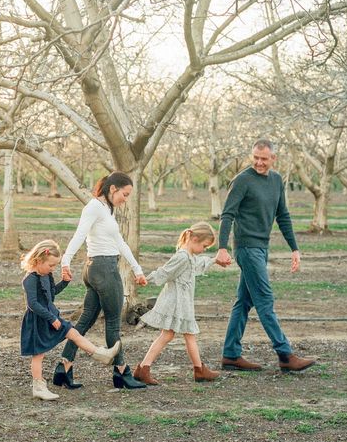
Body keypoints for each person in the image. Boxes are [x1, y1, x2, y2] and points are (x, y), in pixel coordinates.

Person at [215, 139, 316, 373]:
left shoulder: (277, 180)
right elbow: (227, 214)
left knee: (244, 302)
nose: (259, 162)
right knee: (265, 300)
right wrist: (222, 247)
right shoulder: (242, 180)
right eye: (256, 158)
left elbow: (283, 216)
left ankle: (230, 355)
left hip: (262, 247)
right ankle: (285, 354)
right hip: (246, 248)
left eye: (264, 158)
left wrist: (294, 248)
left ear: (273, 159)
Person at [52, 172, 148, 390]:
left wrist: (137, 269)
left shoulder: (106, 209)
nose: (126, 199)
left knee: (85, 320)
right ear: (112, 189)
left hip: (98, 268)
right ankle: (122, 372)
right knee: (113, 322)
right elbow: (80, 234)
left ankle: (63, 368)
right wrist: (65, 261)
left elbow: (120, 242)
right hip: (104, 269)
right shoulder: (94, 207)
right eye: (125, 194)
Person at [21, 239, 121, 401]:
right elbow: (32, 304)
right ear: (38, 261)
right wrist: (51, 318)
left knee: (73, 333)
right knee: (38, 355)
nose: (53, 269)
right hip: (38, 321)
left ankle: (100, 354)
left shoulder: (47, 275)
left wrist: (65, 283)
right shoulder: (30, 279)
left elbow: (51, 294)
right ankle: (38, 386)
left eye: (55, 266)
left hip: (51, 317)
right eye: (51, 265)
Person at [133, 222, 221, 385]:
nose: (204, 250)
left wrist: (214, 260)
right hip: (176, 303)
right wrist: (147, 278)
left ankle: (143, 369)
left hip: (182, 302)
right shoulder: (182, 257)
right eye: (204, 246)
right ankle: (198, 370)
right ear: (194, 239)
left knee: (173, 335)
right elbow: (165, 272)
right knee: (181, 335)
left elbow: (198, 263)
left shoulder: (189, 257)